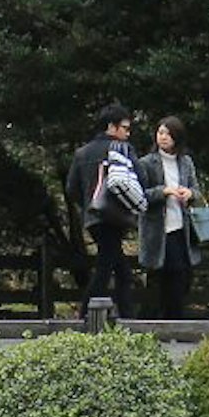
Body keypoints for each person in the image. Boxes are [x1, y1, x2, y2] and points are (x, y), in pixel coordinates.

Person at [66, 105, 140, 312]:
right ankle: (88, 316)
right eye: (124, 128)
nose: (127, 133)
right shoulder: (124, 150)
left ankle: (124, 317)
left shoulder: (82, 153)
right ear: (111, 127)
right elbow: (139, 179)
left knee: (117, 268)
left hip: (94, 218)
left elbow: (71, 189)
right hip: (117, 217)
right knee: (106, 270)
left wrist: (89, 205)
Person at [137, 117, 208, 319]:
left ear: (177, 137)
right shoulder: (146, 163)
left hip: (182, 229)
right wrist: (164, 191)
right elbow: (140, 195)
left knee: (181, 277)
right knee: (160, 279)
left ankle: (175, 322)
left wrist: (190, 194)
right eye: (160, 133)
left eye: (168, 133)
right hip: (157, 231)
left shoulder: (185, 162)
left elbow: (197, 191)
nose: (163, 137)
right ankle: (161, 323)